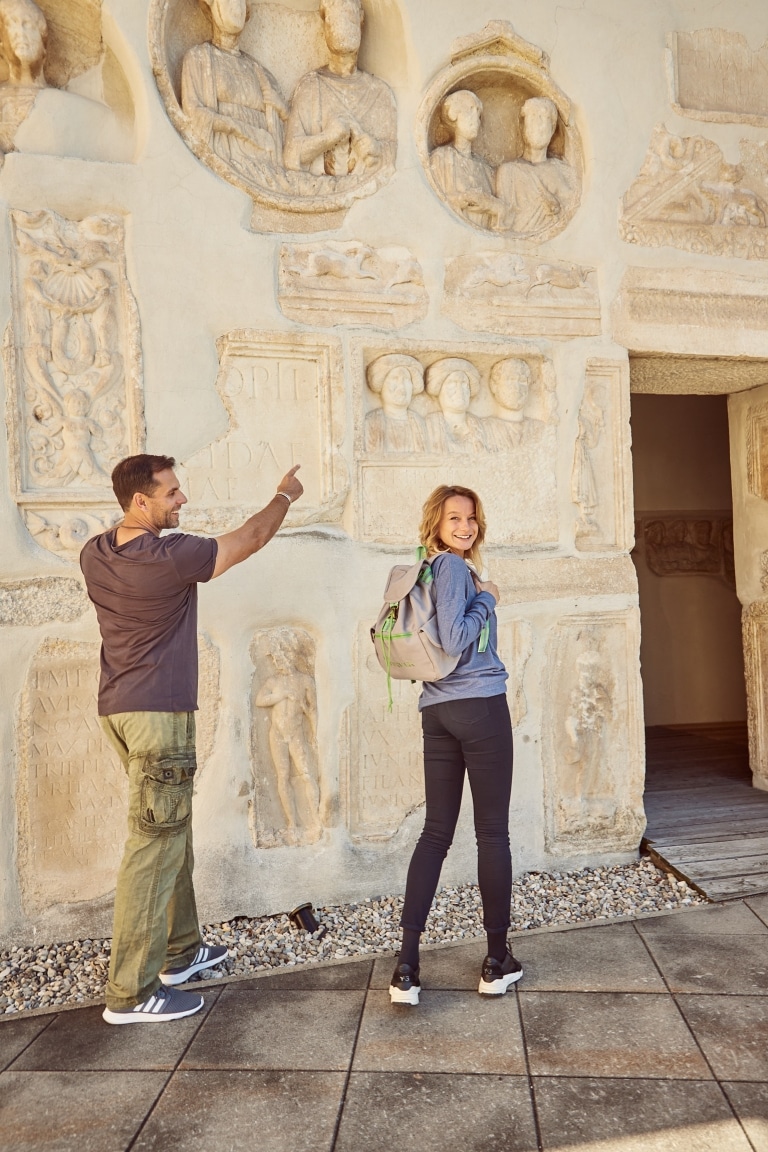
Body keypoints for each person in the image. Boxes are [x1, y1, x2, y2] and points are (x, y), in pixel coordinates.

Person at [80, 453, 303, 1024]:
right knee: (153, 844)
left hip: (120, 712)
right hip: (158, 715)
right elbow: (251, 537)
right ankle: (130, 992)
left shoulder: (96, 553)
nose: (182, 500)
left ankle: (180, 953)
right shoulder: (169, 556)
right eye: (172, 493)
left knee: (169, 828)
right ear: (140, 501)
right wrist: (284, 495)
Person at [390, 485, 522, 1005]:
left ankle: (407, 968)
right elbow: (453, 637)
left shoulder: (425, 568)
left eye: (471, 518)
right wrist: (488, 597)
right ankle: (496, 962)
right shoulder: (450, 569)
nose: (465, 526)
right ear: (436, 523)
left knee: (435, 834)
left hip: (437, 710)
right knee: (492, 833)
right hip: (480, 708)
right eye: (454, 518)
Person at [283, 0, 396, 180]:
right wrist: (329, 137)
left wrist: (375, 150)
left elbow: (391, 161)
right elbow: (291, 155)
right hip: (319, 193)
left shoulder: (380, 93)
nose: (343, 25)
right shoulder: (311, 86)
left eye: (349, 18)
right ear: (325, 26)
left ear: (360, 20)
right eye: (335, 18)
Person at [181, 0, 288, 174]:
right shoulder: (198, 59)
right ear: (212, 7)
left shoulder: (262, 73)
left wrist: (283, 112)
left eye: (241, 1)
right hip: (224, 157)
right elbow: (194, 114)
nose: (236, 6)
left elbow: (286, 135)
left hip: (264, 167)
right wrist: (238, 128)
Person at [495, 96, 576, 236]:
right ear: (523, 127)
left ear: (552, 129)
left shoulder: (563, 171)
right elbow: (505, 217)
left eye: (544, 118)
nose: (539, 125)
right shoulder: (508, 171)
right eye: (533, 117)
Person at [429, 89, 509, 230]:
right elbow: (434, 202)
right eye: (468, 111)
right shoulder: (441, 158)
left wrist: (490, 204)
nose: (475, 119)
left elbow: (500, 207)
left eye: (477, 114)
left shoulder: (485, 169)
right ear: (454, 116)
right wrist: (464, 199)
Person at [364, 353, 427, 455]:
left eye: (406, 379)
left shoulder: (418, 422)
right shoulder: (371, 421)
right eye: (394, 378)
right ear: (382, 384)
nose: (401, 385)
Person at [425, 357, 487, 455]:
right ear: (439, 389)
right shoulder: (428, 425)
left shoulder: (481, 427)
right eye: (452, 383)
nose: (459, 390)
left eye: (464, 384)